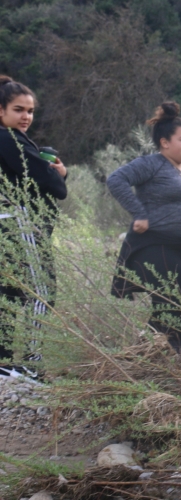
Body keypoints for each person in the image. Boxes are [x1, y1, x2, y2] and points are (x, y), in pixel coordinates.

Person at [109, 102, 181, 361]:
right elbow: (115, 180)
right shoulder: (152, 164)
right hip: (156, 245)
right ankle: (165, 359)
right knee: (173, 302)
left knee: (175, 306)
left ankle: (152, 359)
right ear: (165, 142)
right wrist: (139, 213)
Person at [0, 75, 67, 380]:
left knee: (10, 293)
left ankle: (4, 364)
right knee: (43, 290)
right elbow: (53, 185)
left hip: (9, 224)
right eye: (18, 109)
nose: (26, 116)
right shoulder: (8, 139)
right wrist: (59, 175)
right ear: (1, 111)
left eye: (30, 111)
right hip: (21, 223)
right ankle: (31, 364)